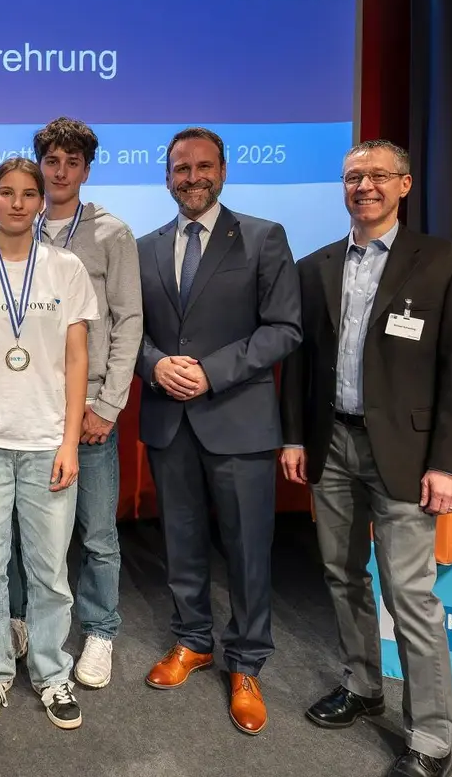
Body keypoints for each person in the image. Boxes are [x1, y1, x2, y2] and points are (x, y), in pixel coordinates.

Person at [279, 139, 452, 777]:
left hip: (408, 453)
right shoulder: (316, 266)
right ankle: (364, 687)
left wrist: (450, 464)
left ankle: (431, 738)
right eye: (351, 177)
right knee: (341, 578)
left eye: (375, 176)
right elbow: (301, 366)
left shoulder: (448, 264)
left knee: (411, 595)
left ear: (404, 185)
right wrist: (293, 437)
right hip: (330, 444)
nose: (362, 186)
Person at [135, 126, 300, 736]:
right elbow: (133, 332)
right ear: (168, 176)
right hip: (168, 419)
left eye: (204, 166)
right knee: (180, 542)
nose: (192, 177)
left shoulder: (262, 237)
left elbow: (283, 328)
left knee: (249, 551)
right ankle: (192, 640)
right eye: (181, 168)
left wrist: (210, 371)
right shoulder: (145, 247)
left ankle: (247, 661)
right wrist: (154, 364)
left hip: (238, 418)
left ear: (223, 172)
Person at [0, 157, 97, 730]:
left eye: (29, 193)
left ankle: (53, 674)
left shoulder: (67, 268)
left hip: (47, 440)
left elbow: (76, 359)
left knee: (51, 570)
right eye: (7, 193)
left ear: (40, 201)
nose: (19, 203)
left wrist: (71, 442)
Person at [32, 117, 142, 688]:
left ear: (87, 169)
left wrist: (109, 404)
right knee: (28, 530)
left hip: (91, 405)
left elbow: (128, 320)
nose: (61, 171)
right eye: (52, 161)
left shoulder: (110, 233)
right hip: (30, 408)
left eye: (72, 162)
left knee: (97, 532)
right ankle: (25, 622)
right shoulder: (18, 225)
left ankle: (100, 630)